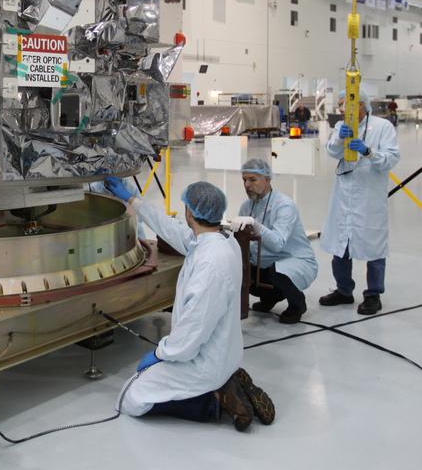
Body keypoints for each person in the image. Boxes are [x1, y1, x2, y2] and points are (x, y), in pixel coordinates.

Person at [102, 177, 275, 431]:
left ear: (190, 213)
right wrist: (132, 199)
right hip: (224, 353)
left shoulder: (209, 265)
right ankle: (226, 382)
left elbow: (192, 333)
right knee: (143, 387)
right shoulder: (220, 241)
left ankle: (216, 400)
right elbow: (170, 228)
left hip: (202, 361)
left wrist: (160, 354)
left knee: (130, 398)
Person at [319, 87, 401, 315]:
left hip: (369, 197)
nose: (344, 109)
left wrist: (368, 152)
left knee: (373, 247)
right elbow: (331, 151)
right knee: (341, 244)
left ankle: (373, 294)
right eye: (342, 105)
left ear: (363, 105)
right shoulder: (340, 126)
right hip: (343, 195)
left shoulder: (383, 127)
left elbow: (392, 158)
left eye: (348, 105)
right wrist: (339, 139)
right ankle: (344, 291)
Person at [236, 158, 319, 324]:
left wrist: (255, 225)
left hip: (294, 260)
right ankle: (270, 298)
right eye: (244, 180)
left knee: (278, 273)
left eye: (252, 179)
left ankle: (297, 305)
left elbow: (277, 244)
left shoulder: (285, 206)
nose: (247, 185)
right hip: (265, 262)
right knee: (241, 271)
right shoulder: (247, 206)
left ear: (267, 179)